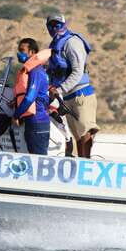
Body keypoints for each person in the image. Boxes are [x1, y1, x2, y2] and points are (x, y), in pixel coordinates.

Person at [46, 14, 99, 158]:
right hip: (67, 97)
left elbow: (77, 71)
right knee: (77, 135)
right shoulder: (55, 45)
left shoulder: (72, 43)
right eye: (51, 26)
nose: (54, 28)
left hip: (81, 94)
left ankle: (86, 162)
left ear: (64, 25)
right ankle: (82, 160)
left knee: (85, 132)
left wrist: (60, 89)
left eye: (57, 25)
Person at [12, 38, 52, 155]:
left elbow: (30, 98)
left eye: (22, 50)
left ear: (32, 52)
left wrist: (16, 115)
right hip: (35, 122)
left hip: (37, 123)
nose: (19, 53)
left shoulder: (36, 71)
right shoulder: (34, 71)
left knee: (38, 161)